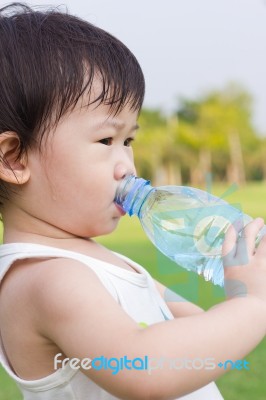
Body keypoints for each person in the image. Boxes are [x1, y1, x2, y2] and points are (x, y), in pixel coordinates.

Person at [0, 3, 265, 400]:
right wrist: (253, 306)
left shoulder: (103, 262)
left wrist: (239, 284)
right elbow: (145, 367)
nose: (126, 165)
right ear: (15, 158)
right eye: (106, 141)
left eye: (129, 141)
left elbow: (192, 328)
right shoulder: (47, 280)